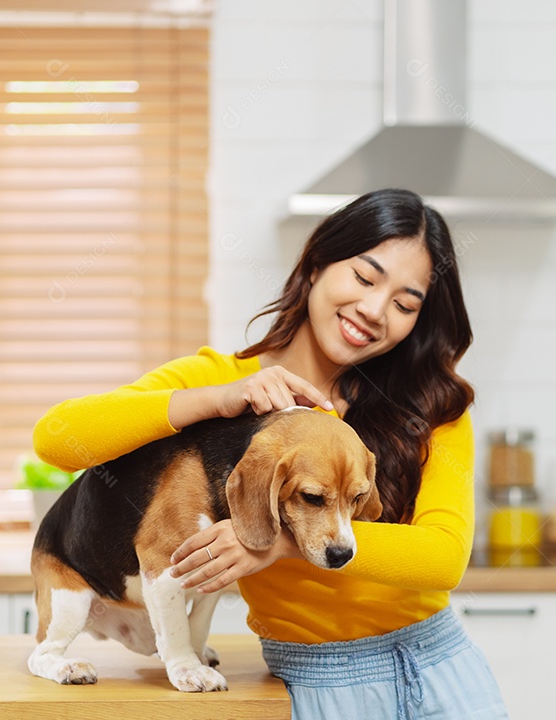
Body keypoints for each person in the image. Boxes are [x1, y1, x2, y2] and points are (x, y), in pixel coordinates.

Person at [33, 188, 508, 719]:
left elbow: (443, 559)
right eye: (364, 277)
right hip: (316, 681)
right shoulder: (222, 381)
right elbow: (56, 436)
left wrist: (278, 543)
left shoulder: (433, 404)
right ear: (315, 265)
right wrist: (216, 400)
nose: (374, 310)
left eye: (404, 304)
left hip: (443, 670)